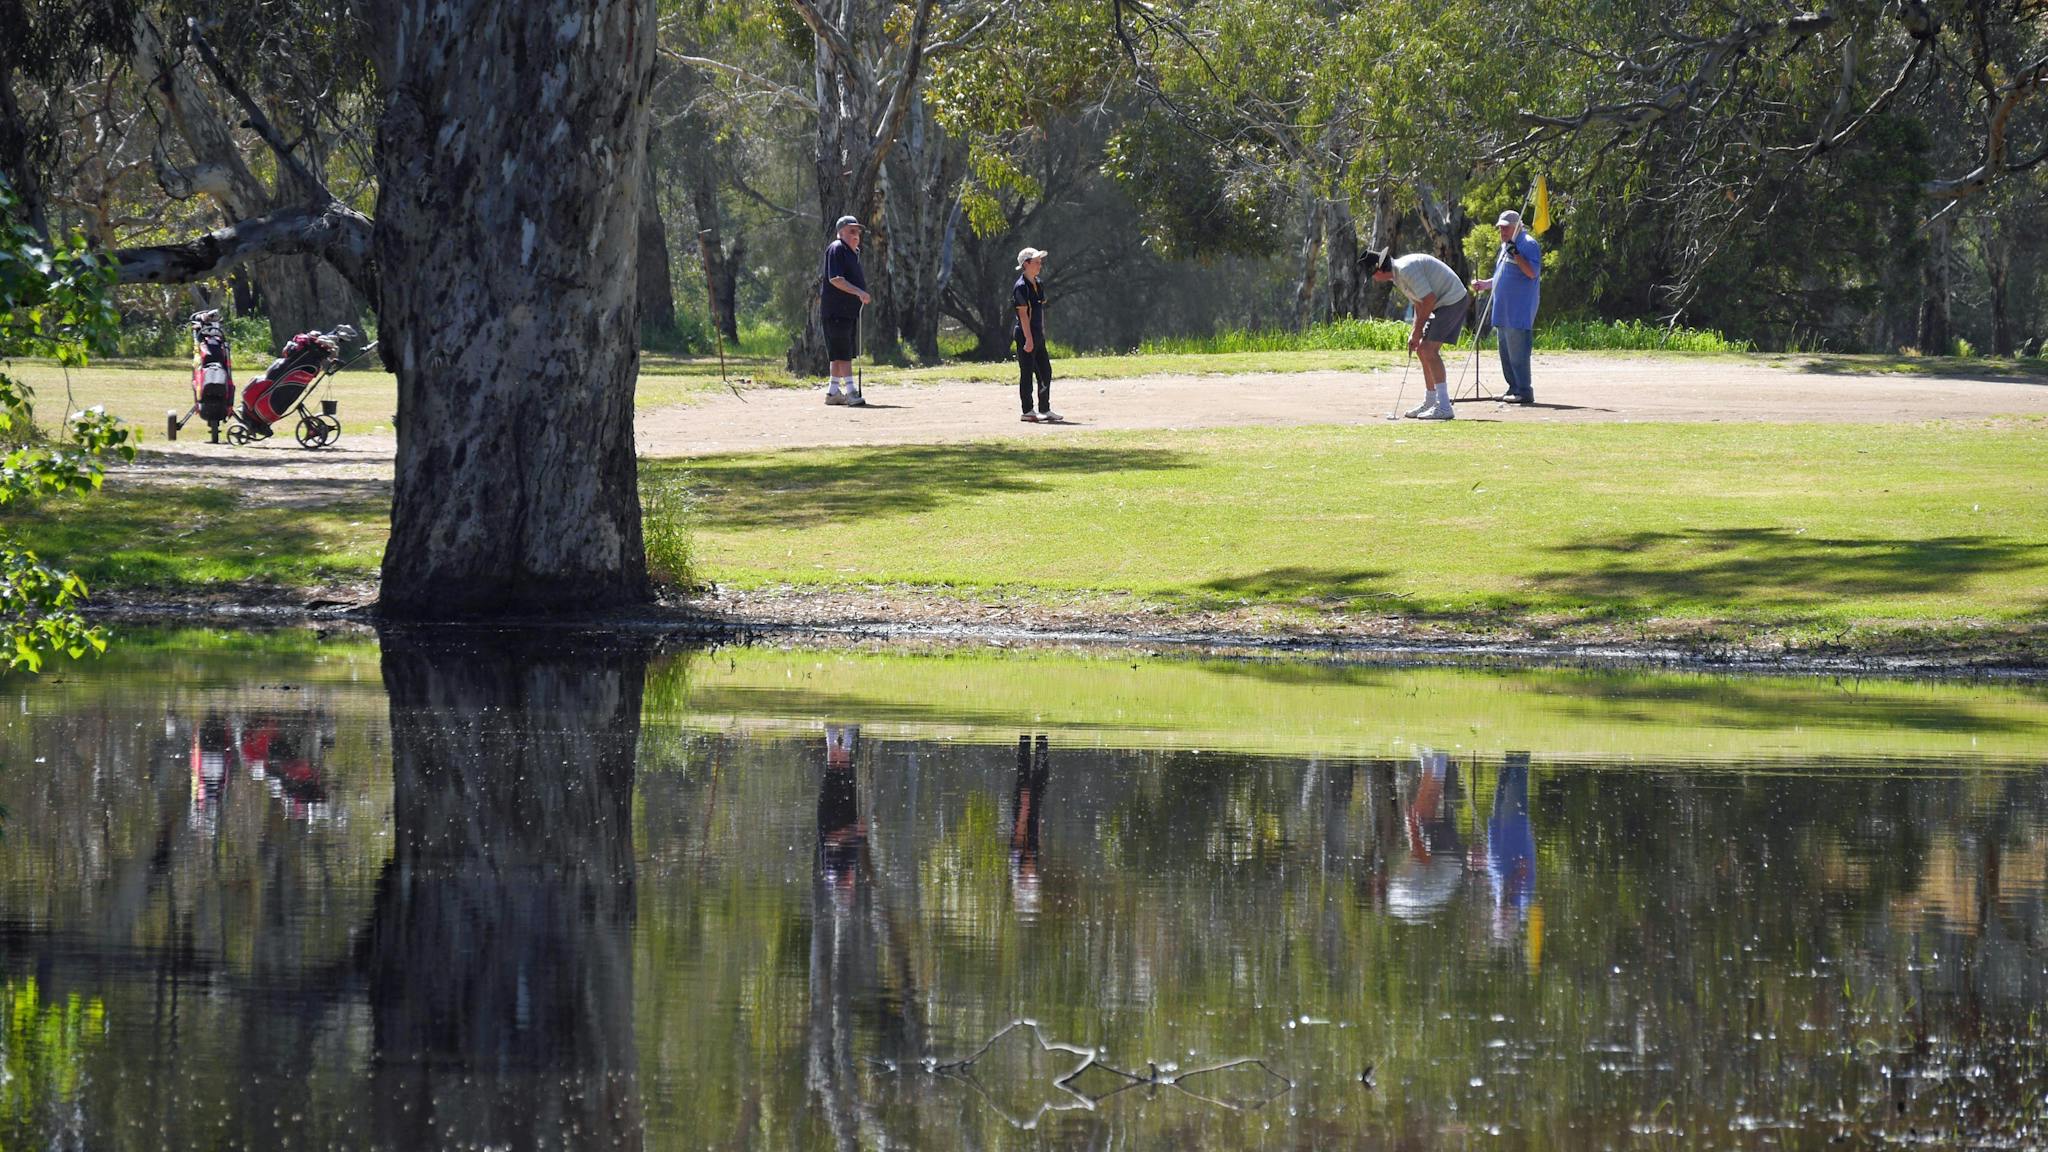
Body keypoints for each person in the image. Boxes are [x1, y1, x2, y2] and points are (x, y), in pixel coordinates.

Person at [1364, 248, 1469, 420]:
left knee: (1428, 350)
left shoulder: (1406, 269)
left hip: (1452, 300)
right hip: (1439, 303)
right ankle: (1430, 400)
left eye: (1372, 275)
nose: (1374, 279)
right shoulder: (1398, 276)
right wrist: (1415, 332)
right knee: (1421, 349)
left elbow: (1429, 300)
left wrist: (1419, 330)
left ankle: (1444, 406)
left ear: (1380, 270)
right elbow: (1419, 303)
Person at [1470, 210, 1542, 404]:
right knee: (1505, 352)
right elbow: (1503, 273)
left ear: (1517, 226)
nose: (1501, 231)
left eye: (1505, 227)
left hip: (1518, 309)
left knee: (1518, 352)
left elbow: (1531, 272)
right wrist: (1486, 284)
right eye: (1500, 227)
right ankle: (1513, 388)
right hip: (1502, 308)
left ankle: (1524, 391)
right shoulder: (1506, 245)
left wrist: (1516, 253)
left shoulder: (1528, 244)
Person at [819, 216, 871, 407]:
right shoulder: (837, 248)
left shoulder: (852, 253)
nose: (856, 235)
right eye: (851, 231)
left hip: (847, 312)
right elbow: (836, 279)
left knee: (839, 352)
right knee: (842, 353)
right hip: (836, 311)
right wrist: (859, 291)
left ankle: (833, 392)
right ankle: (850, 392)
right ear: (840, 232)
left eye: (857, 231)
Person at [1012, 248, 1059, 423]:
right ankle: (1027, 410)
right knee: (1027, 372)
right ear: (1026, 264)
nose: (1040, 265)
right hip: (1026, 335)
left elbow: (1040, 310)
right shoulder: (1021, 287)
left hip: (1037, 334)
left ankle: (1045, 409)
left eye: (1040, 261)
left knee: (1045, 371)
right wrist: (1029, 339)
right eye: (1036, 262)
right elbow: (1023, 315)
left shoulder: (1038, 283)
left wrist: (1042, 331)